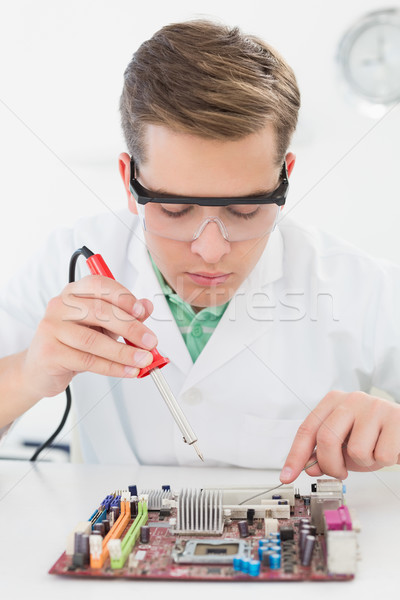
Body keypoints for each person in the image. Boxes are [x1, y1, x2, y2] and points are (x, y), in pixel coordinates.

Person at [0, 20, 399, 482]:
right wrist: (27, 374)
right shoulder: (63, 263)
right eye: (173, 209)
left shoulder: (356, 284)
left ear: (284, 178)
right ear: (130, 182)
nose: (210, 251)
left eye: (245, 211)